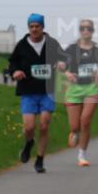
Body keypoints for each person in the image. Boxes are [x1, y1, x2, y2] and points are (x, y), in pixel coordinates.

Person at [7, 13, 66, 173]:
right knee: (29, 127)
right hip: (28, 90)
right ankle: (28, 143)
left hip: (47, 90)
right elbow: (12, 63)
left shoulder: (52, 43)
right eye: (31, 26)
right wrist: (15, 71)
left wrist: (62, 64)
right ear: (28, 28)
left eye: (37, 26)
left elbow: (64, 59)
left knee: (44, 125)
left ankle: (39, 160)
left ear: (42, 27)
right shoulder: (22, 45)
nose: (34, 29)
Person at [59, 19, 98, 167]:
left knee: (86, 120)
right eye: (82, 28)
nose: (85, 31)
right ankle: (74, 132)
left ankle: (82, 155)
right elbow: (60, 65)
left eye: (88, 28)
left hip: (92, 88)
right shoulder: (71, 49)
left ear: (92, 31)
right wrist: (67, 73)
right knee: (75, 126)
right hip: (74, 89)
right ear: (79, 30)